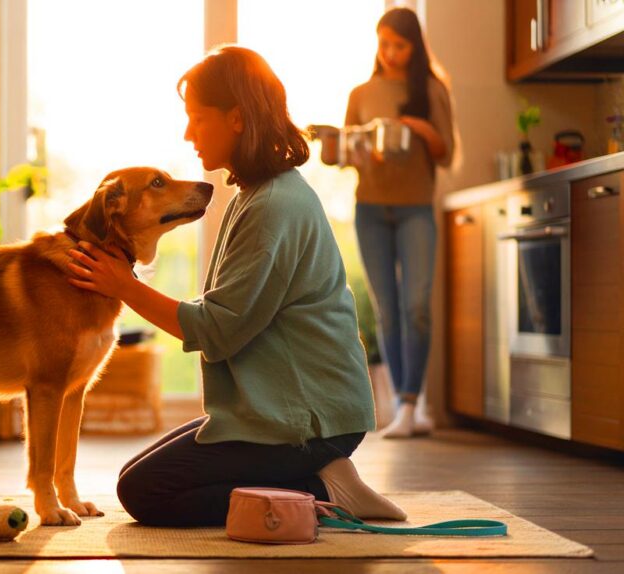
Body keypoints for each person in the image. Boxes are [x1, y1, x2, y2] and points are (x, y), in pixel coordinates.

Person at [64, 45, 406, 527]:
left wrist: (124, 284)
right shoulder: (258, 194)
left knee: (145, 491)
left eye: (197, 119)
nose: (188, 134)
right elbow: (225, 311)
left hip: (308, 422)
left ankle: (319, 489)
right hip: (279, 409)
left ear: (238, 119)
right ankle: (314, 477)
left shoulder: (272, 207)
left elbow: (218, 329)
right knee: (134, 473)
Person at [344, 8, 456, 439]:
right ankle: (406, 404)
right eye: (383, 42)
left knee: (417, 307)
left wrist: (419, 129)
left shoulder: (431, 89)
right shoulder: (360, 92)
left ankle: (411, 402)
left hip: (415, 209)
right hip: (370, 209)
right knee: (387, 311)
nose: (389, 53)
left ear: (414, 46)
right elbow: (347, 152)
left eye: (399, 45)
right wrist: (358, 150)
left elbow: (446, 153)